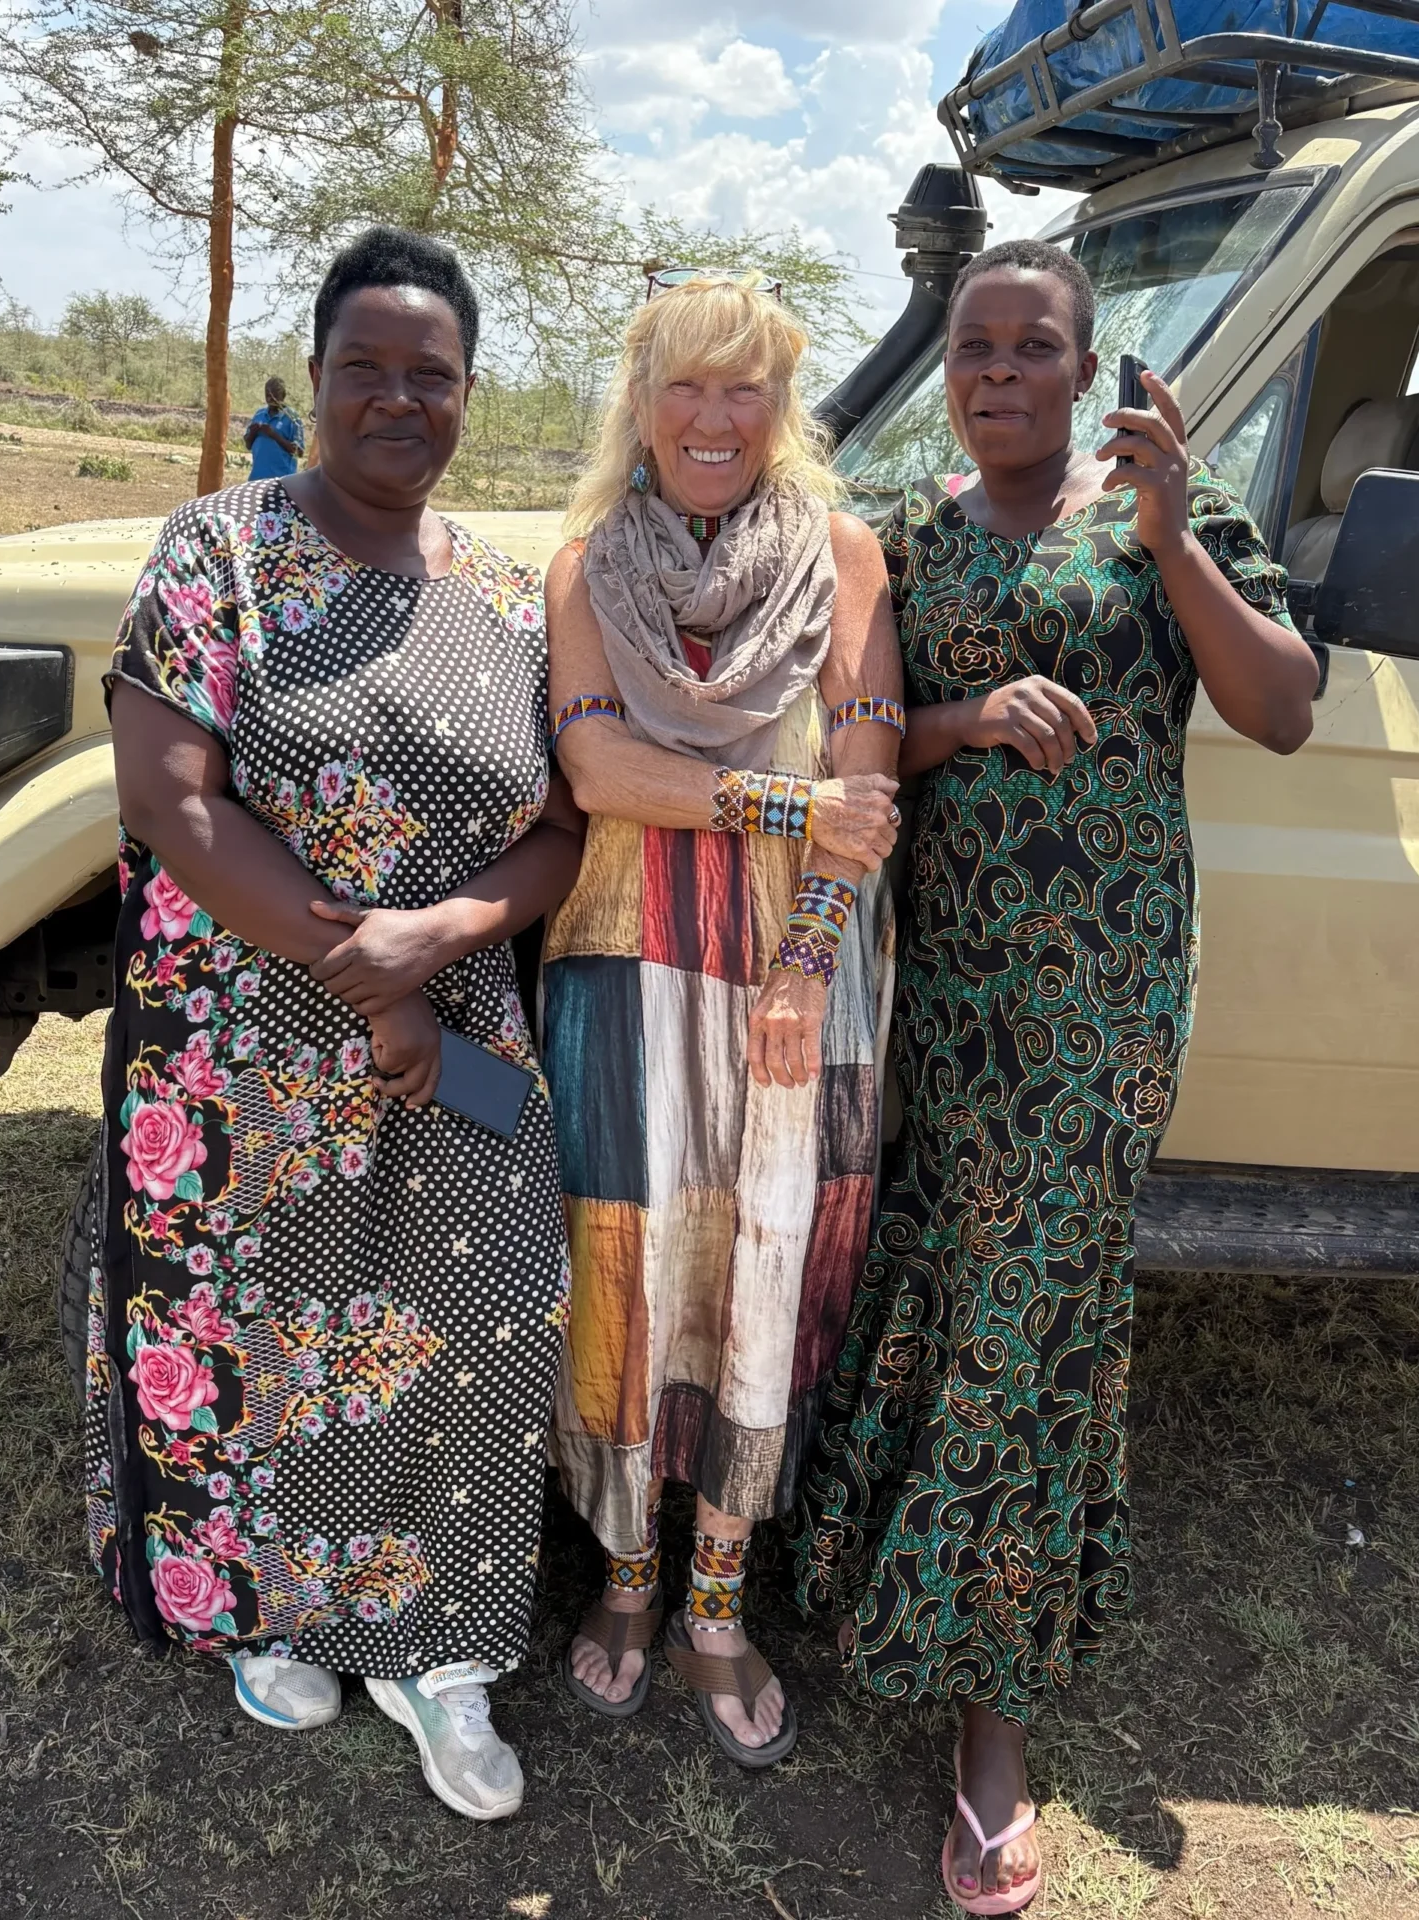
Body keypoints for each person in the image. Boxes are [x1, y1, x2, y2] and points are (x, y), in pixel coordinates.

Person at [793, 237, 1319, 1910]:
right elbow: (867, 740)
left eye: (1032, 346)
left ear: (1086, 368)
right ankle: (869, 1582)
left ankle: (989, 1718)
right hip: (942, 993)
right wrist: (960, 723)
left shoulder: (1155, 515)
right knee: (933, 1284)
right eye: (973, 346)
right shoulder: (910, 538)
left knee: (1029, 1315)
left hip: (1093, 1014)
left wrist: (1170, 543)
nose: (998, 370)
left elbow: (1282, 707)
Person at [86, 225, 585, 1822]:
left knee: (477, 1311)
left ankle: (439, 1651)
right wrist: (353, 968)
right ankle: (264, 1605)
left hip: (457, 1039)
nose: (394, 398)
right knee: (260, 1328)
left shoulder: (511, 595)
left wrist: (441, 937)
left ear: (463, 397)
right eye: (362, 367)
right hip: (235, 1037)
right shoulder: (215, 553)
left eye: (426, 375)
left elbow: (564, 824)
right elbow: (169, 800)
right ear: (313, 381)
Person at [543, 270, 903, 1766]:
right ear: (638, 401)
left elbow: (870, 798)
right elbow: (600, 775)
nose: (710, 415)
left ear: (781, 407)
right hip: (620, 973)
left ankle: (712, 1598)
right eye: (682, 384)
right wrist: (782, 800)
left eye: (742, 386)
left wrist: (809, 954)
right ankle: (624, 1577)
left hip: (789, 986)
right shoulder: (580, 571)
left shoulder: (844, 560)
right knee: (625, 1275)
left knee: (764, 1270)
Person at [243, 376, 305, 479]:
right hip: (257, 478)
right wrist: (252, 433)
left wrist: (274, 435)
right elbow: (248, 445)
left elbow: (299, 452)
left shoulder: (293, 418)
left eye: (274, 397)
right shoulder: (259, 414)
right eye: (267, 396)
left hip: (282, 480)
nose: (270, 399)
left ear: (283, 396)